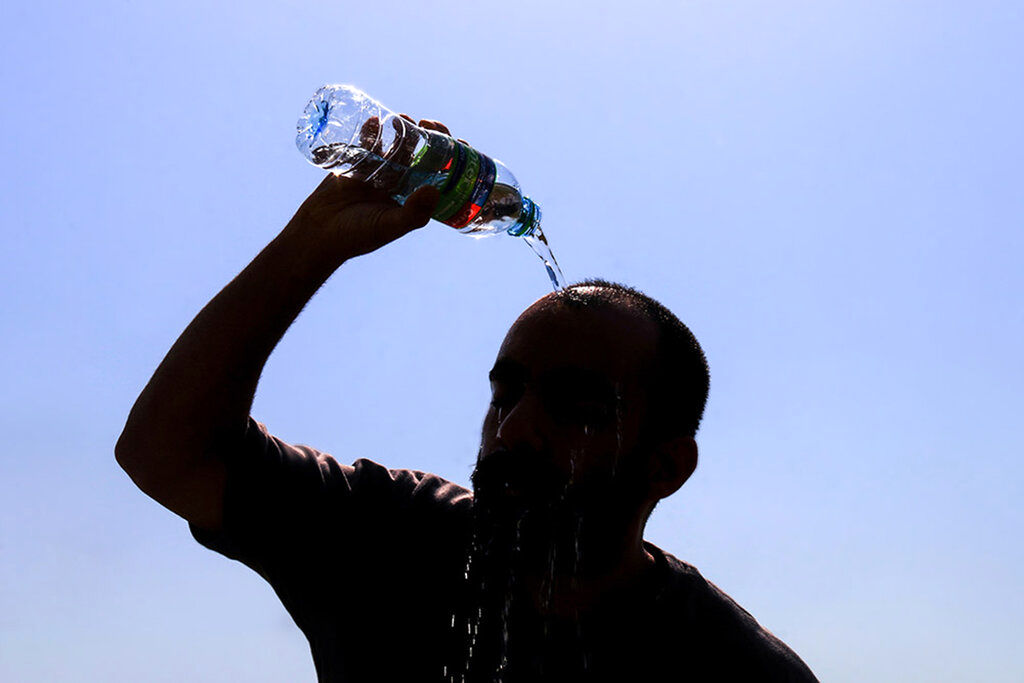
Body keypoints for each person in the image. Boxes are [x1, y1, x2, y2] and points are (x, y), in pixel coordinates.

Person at [116, 118, 818, 682]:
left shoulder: (733, 667)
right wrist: (311, 245)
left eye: (578, 408)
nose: (514, 432)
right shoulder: (390, 538)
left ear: (666, 465)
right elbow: (166, 454)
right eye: (504, 394)